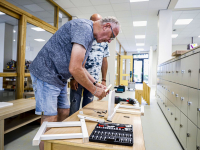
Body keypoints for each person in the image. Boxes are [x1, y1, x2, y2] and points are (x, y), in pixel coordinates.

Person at [29, 16, 120, 150]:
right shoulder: (83, 28)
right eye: (111, 36)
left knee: (65, 112)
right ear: (106, 26)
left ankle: (55, 144)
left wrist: (96, 83)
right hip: (46, 73)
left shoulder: (90, 37)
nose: (110, 41)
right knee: (50, 118)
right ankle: (45, 147)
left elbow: (82, 67)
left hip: (59, 78)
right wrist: (95, 91)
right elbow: (74, 68)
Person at [70, 14, 109, 116]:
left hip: (93, 79)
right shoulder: (84, 36)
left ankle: (85, 129)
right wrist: (73, 78)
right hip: (78, 77)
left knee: (88, 107)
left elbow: (104, 61)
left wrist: (103, 80)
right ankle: (73, 128)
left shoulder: (104, 42)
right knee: (74, 107)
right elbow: (74, 59)